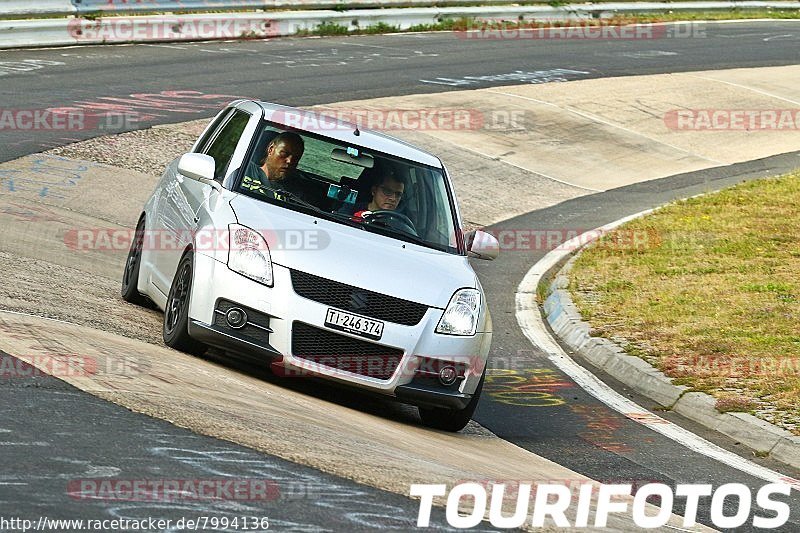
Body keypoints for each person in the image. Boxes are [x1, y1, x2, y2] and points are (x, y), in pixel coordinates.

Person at [242, 131, 313, 202]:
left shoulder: (296, 194)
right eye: (284, 154)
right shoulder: (244, 172)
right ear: (270, 150)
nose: (290, 161)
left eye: (296, 158)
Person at [340, 165, 405, 217]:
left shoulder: (400, 221)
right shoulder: (351, 210)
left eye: (398, 194)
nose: (393, 198)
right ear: (374, 191)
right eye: (387, 191)